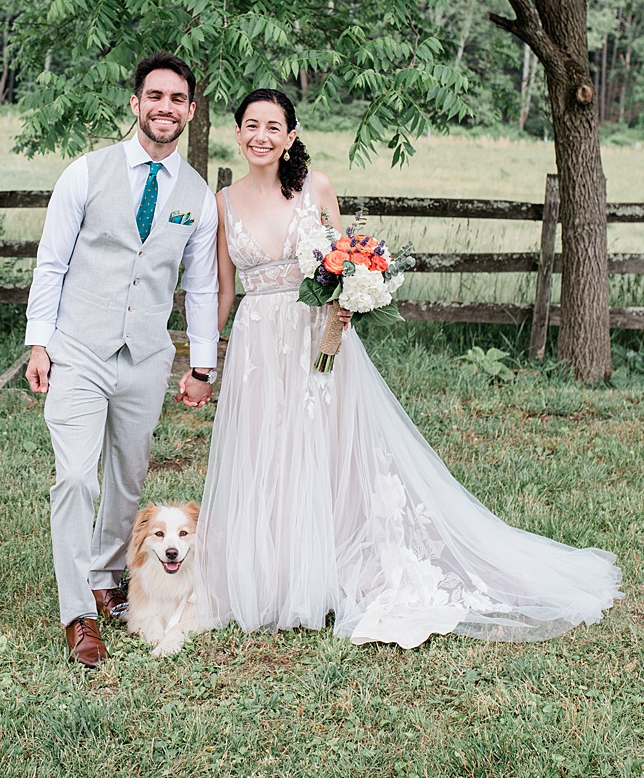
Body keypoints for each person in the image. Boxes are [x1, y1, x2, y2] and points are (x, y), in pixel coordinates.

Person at [194, 89, 621, 648]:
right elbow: (222, 291)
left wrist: (347, 299)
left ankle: (323, 567)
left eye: (273, 126)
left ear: (291, 136)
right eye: (251, 125)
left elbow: (339, 259)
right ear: (237, 132)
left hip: (316, 337)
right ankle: (271, 572)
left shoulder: (315, 187)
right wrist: (201, 362)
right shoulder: (223, 201)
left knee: (322, 446)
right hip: (256, 345)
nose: (261, 136)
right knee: (263, 450)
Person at [25, 52, 219, 668]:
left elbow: (203, 287)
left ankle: (109, 578)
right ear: (136, 104)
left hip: (146, 358)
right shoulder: (85, 173)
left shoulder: (196, 196)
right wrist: (39, 340)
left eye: (177, 99)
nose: (166, 108)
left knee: (128, 483)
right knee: (77, 477)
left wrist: (203, 364)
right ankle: (79, 611)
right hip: (77, 351)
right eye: (154, 96)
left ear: (190, 111)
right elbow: (51, 261)